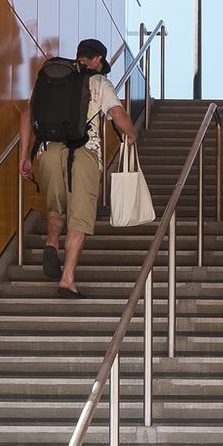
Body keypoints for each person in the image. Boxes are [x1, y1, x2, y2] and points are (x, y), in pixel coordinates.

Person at [19, 38, 137, 297]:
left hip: (47, 150)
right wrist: (131, 134)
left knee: (56, 206)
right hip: (83, 152)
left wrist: (24, 155)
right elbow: (118, 115)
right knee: (79, 218)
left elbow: (27, 115)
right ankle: (67, 279)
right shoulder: (97, 81)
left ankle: (51, 242)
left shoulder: (50, 78)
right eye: (101, 62)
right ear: (97, 60)